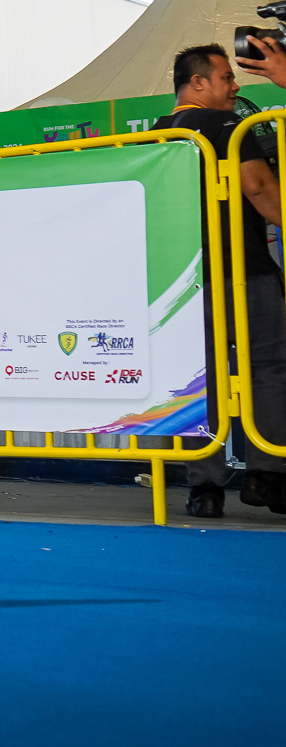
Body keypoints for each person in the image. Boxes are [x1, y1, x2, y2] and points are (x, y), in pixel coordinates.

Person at [155, 42, 286, 517]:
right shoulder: (227, 126)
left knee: (197, 383)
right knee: (269, 368)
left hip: (179, 286)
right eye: (227, 77)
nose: (234, 87)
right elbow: (259, 186)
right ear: (198, 83)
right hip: (242, 272)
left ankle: (204, 489)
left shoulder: (152, 138)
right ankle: (266, 476)